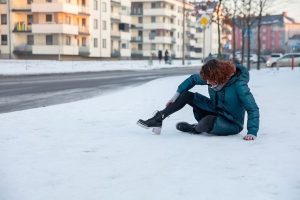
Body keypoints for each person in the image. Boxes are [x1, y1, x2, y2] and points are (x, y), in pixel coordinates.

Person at [137, 59, 259, 140]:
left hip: (231, 123)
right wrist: (176, 95)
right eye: (206, 80)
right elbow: (193, 79)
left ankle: (194, 128)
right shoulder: (211, 79)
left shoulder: (239, 86)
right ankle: (159, 118)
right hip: (214, 110)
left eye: (210, 80)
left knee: (205, 123)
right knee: (185, 95)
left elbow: (252, 108)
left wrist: (252, 132)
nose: (207, 83)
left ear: (220, 76)